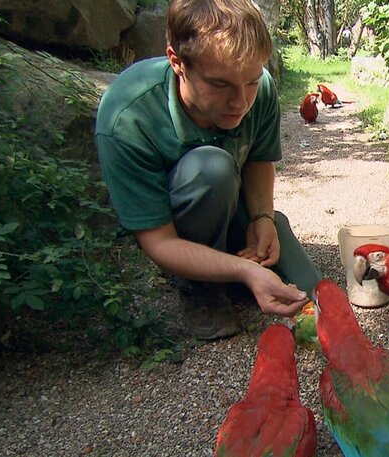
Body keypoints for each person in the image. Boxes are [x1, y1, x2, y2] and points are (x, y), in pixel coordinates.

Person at [95, 0, 322, 339]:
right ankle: (200, 288)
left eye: (251, 81)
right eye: (220, 85)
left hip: (237, 214)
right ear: (177, 62)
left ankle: (238, 258)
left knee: (313, 293)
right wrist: (244, 271)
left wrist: (262, 218)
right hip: (178, 234)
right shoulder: (126, 116)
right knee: (210, 169)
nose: (240, 102)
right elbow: (159, 242)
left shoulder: (259, 90)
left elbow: (259, 159)